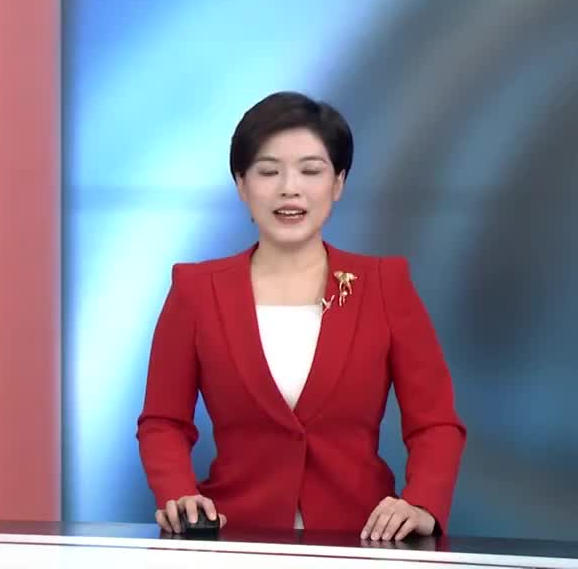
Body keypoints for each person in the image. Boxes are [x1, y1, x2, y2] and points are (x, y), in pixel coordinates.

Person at [136, 91, 466, 541]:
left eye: (311, 170)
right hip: (235, 540)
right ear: (241, 184)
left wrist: (423, 501)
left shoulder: (384, 284)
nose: (289, 188)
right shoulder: (195, 290)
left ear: (338, 183)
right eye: (268, 171)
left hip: (364, 540)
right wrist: (178, 494)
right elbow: (163, 422)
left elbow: (435, 422)